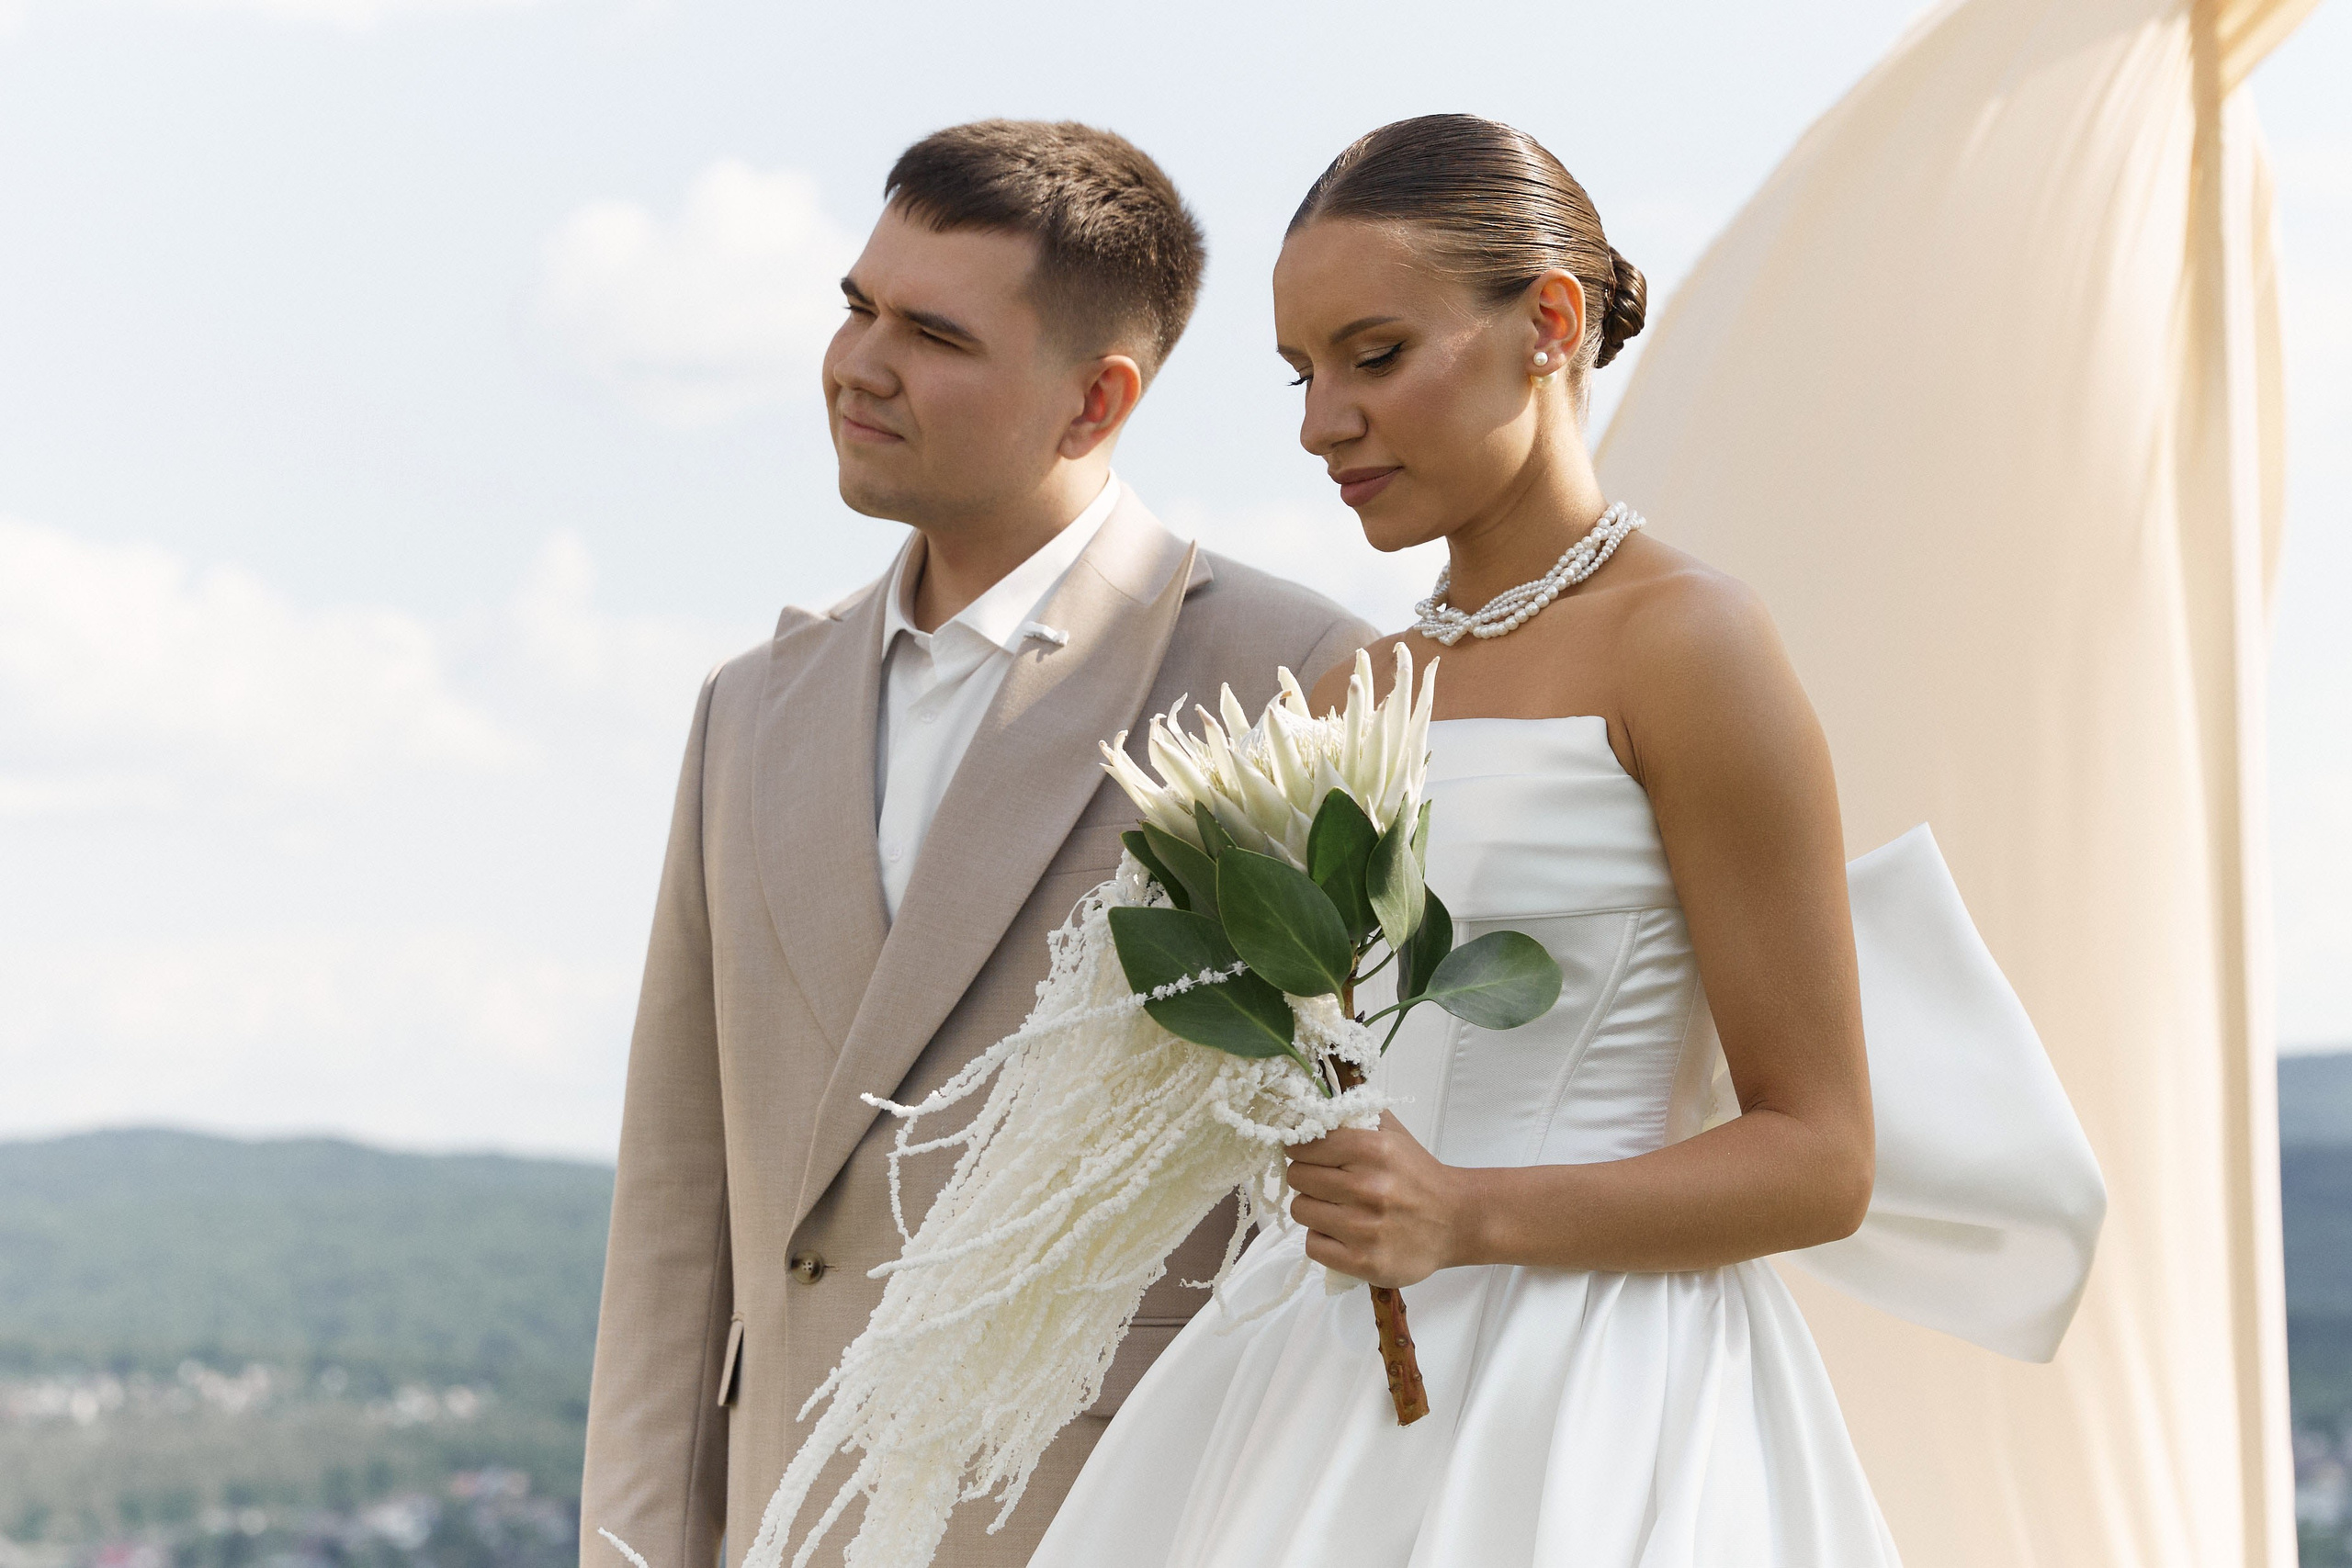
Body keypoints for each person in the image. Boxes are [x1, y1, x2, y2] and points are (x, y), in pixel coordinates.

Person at [1032, 112, 1908, 1566]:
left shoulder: (1692, 648)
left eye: (1374, 356)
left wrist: (1467, 1215)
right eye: (1303, 374)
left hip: (1594, 1407)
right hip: (1322, 1376)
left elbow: (1823, 1158)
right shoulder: (1349, 694)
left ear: (1548, 325)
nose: (1322, 423)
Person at [579, 120, 1375, 1568]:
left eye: (933, 335)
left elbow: (1320, 1183)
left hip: (1100, 1522)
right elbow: (675, 1212)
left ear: (1095, 400)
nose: (859, 365)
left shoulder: (1299, 679)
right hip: (782, 1521)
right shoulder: (746, 711)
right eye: (857, 307)